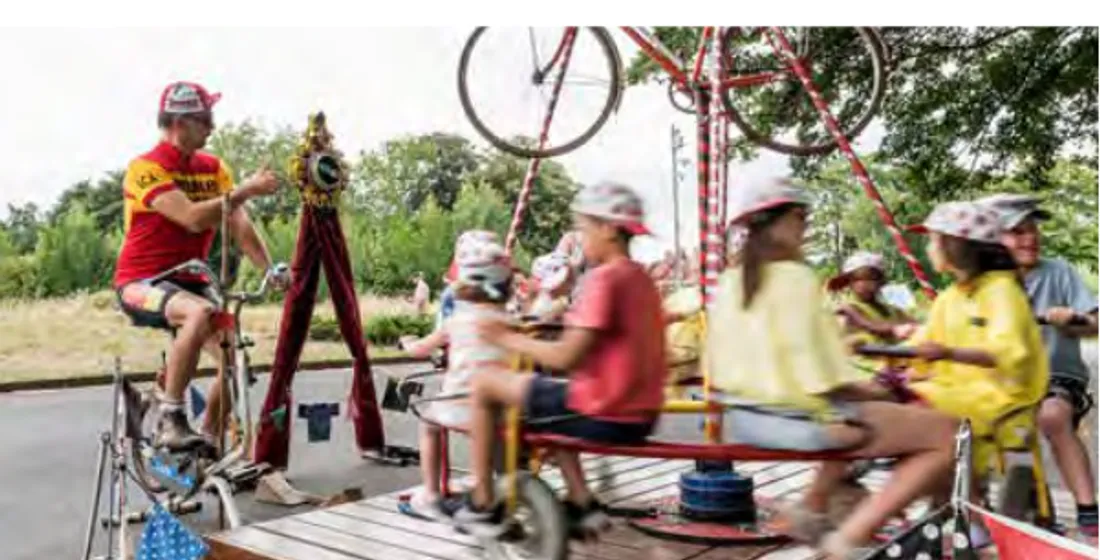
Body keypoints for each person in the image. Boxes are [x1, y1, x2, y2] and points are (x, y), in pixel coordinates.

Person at [704, 177, 958, 559]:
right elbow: (822, 378)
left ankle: (817, 504)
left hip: (744, 417)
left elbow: (725, 364)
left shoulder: (729, 282)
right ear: (780, 220)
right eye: (800, 217)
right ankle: (847, 540)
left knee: (873, 413)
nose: (805, 227)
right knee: (949, 432)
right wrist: (876, 389)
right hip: (796, 419)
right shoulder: (796, 279)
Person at [455, 181, 668, 539]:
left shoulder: (605, 279)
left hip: (605, 413)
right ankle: (582, 502)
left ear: (607, 228)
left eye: (583, 229)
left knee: (484, 384)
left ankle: (483, 502)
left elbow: (567, 354)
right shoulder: (642, 280)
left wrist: (505, 338)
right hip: (642, 415)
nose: (580, 240)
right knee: (549, 400)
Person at [114, 81, 288, 450]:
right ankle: (171, 418)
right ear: (179, 122)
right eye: (205, 119)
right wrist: (246, 190)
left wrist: (269, 270)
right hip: (142, 282)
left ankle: (206, 442)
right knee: (198, 313)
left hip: (192, 281)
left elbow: (237, 222)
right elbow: (191, 218)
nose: (212, 126)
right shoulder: (145, 168)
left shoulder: (213, 169)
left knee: (235, 359)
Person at [979, 193, 1098, 539]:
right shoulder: (985, 282)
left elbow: (1094, 323)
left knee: (1053, 416)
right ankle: (972, 508)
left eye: (1033, 230)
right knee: (957, 419)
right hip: (1002, 380)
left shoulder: (1059, 272)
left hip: (1055, 376)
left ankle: (1088, 511)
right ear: (994, 241)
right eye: (1018, 232)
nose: (1030, 238)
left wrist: (1071, 321)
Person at [397, 236, 515, 520]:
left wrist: (407, 343)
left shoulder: (456, 321)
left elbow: (421, 349)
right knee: (498, 433)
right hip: (503, 405)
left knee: (429, 423)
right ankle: (499, 487)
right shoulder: (511, 321)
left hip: (463, 405)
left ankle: (430, 495)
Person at [826, 251, 918, 379]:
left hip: (898, 363)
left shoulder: (893, 310)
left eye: (871, 278)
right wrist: (895, 329)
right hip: (865, 369)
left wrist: (915, 329)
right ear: (849, 283)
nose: (864, 284)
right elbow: (870, 325)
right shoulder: (847, 308)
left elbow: (915, 326)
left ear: (880, 281)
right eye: (857, 279)